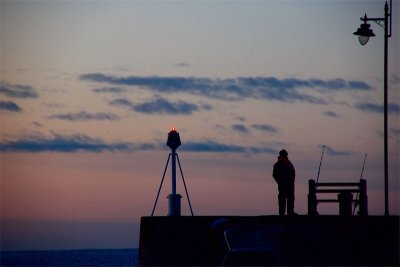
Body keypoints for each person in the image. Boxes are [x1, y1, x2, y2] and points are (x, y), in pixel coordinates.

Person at [273, 149, 297, 216]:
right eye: (285, 155)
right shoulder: (277, 165)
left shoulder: (289, 163)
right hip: (283, 184)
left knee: (290, 198)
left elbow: (293, 172)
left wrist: (292, 180)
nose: (286, 156)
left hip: (290, 184)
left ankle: (290, 212)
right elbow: (275, 175)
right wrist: (280, 181)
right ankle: (282, 213)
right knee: (282, 199)